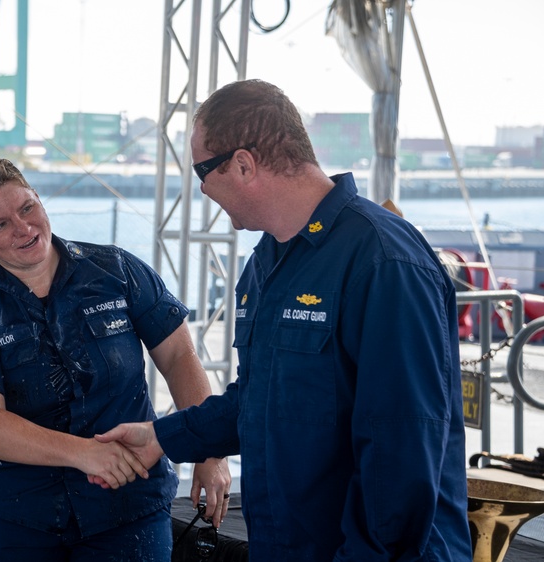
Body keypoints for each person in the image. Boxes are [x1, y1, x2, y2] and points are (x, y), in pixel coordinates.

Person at [96, 80, 472, 560]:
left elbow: (402, 449)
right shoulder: (267, 263)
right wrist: (163, 437)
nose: (202, 189)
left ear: (243, 164)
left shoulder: (383, 260)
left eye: (201, 172)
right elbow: (263, 399)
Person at [0, 151, 230, 561]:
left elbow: (179, 357)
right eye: (0, 225)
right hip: (19, 520)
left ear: (39, 198)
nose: (24, 228)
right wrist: (85, 454)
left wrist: (207, 447)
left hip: (129, 510)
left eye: (28, 208)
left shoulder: (117, 270)